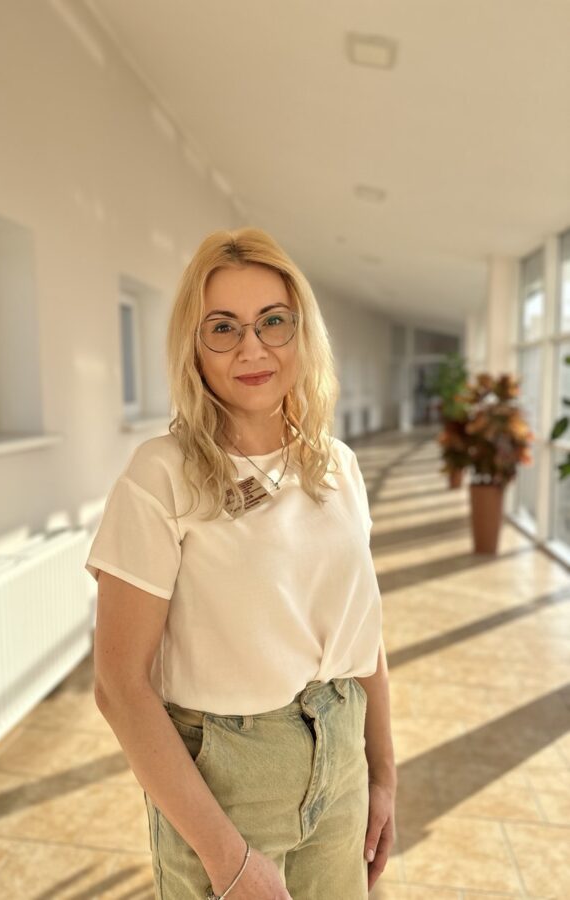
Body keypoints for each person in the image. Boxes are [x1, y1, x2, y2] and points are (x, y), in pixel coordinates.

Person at [85, 227, 396, 899]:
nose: (252, 348)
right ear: (193, 348)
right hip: (229, 784)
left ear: (302, 333)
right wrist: (225, 857)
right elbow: (118, 685)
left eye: (272, 322)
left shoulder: (337, 465)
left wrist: (382, 776)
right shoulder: (159, 476)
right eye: (222, 328)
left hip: (342, 748)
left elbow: (364, 634)